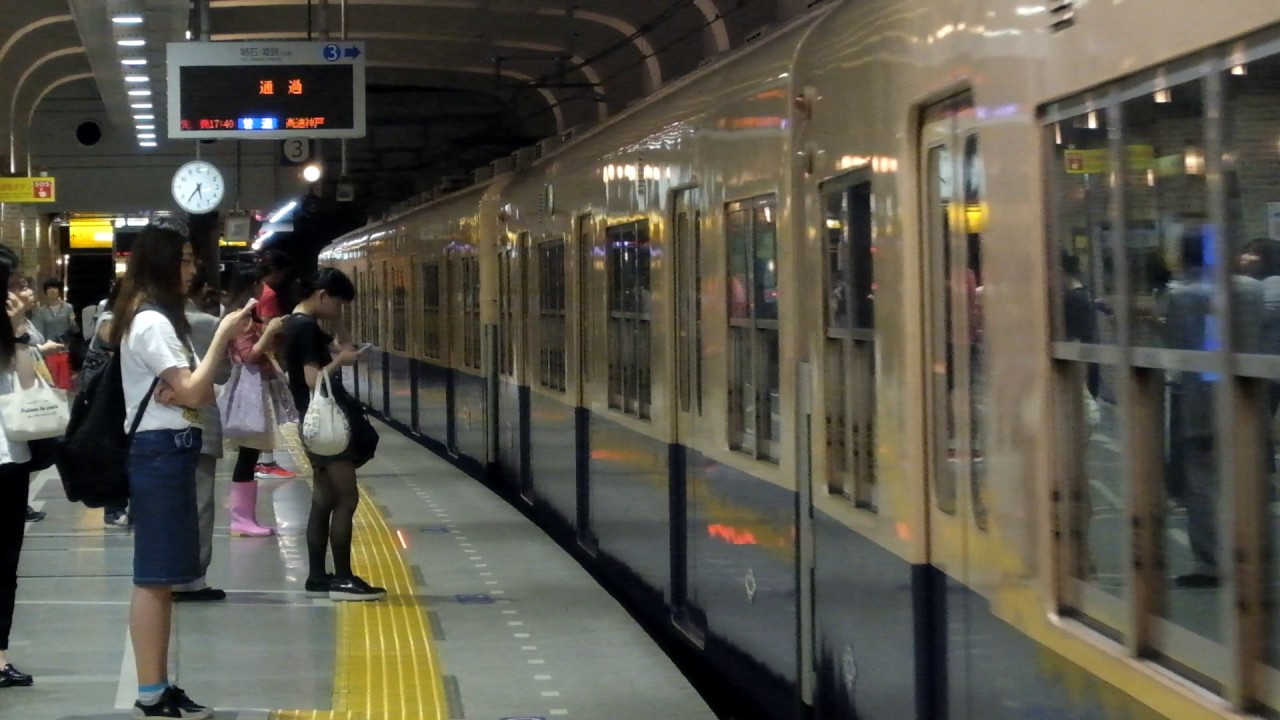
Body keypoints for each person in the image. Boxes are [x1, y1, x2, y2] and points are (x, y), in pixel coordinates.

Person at [111, 219, 252, 717]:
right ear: (165, 264)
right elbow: (195, 390)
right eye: (187, 259)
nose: (194, 268)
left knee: (164, 577)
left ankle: (158, 684)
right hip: (159, 450)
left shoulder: (162, 320)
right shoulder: (151, 322)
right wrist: (225, 334)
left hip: (172, 444)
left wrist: (191, 384)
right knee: (155, 577)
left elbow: (201, 390)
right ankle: (152, 691)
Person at [283, 269, 385, 601]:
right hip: (328, 427)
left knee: (324, 499)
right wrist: (341, 360)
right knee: (346, 499)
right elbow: (313, 379)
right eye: (339, 304)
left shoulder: (297, 325)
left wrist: (341, 337)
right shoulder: (306, 329)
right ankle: (342, 578)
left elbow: (346, 346)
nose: (341, 310)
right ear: (323, 295)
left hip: (314, 425)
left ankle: (317, 576)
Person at [173, 269, 230, 602]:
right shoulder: (208, 325)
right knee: (200, 503)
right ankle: (193, 578)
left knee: (171, 503)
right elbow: (222, 373)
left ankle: (168, 570)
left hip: (160, 424)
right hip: (201, 420)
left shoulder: (149, 321)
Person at [0, 246, 40, 689]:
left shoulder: (16, 330)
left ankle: (0, 657)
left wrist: (17, 334)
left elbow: (30, 389)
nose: (21, 294)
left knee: (6, 564)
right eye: (13, 287)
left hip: (11, 458)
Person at [224, 270, 288, 536]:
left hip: (253, 389)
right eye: (261, 283)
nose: (265, 287)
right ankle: (241, 518)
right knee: (248, 454)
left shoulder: (247, 315)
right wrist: (269, 331)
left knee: (249, 455)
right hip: (248, 391)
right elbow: (248, 356)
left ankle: (246, 517)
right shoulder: (242, 318)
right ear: (252, 286)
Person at [252, 251, 298, 480]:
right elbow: (269, 329)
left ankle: (262, 460)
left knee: (261, 410)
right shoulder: (268, 294)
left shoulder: (257, 290)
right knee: (267, 410)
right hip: (267, 358)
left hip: (256, 359)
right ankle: (266, 462)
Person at [31, 279, 76, 389]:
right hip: (48, 349)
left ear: (59, 290)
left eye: (55, 288)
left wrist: (73, 322)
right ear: (45, 292)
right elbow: (38, 331)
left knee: (65, 381)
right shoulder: (40, 311)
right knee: (51, 380)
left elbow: (75, 329)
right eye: (49, 288)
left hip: (65, 348)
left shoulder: (68, 307)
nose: (52, 291)